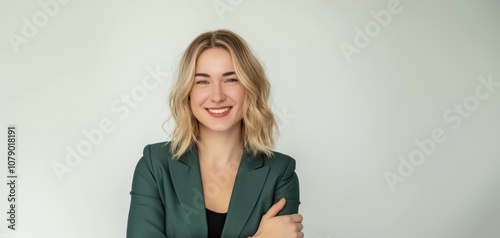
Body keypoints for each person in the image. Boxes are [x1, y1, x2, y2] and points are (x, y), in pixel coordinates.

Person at [126, 29, 303, 238]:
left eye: (231, 80)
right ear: (188, 93)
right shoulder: (155, 165)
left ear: (250, 87)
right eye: (202, 81)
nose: (217, 96)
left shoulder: (280, 172)